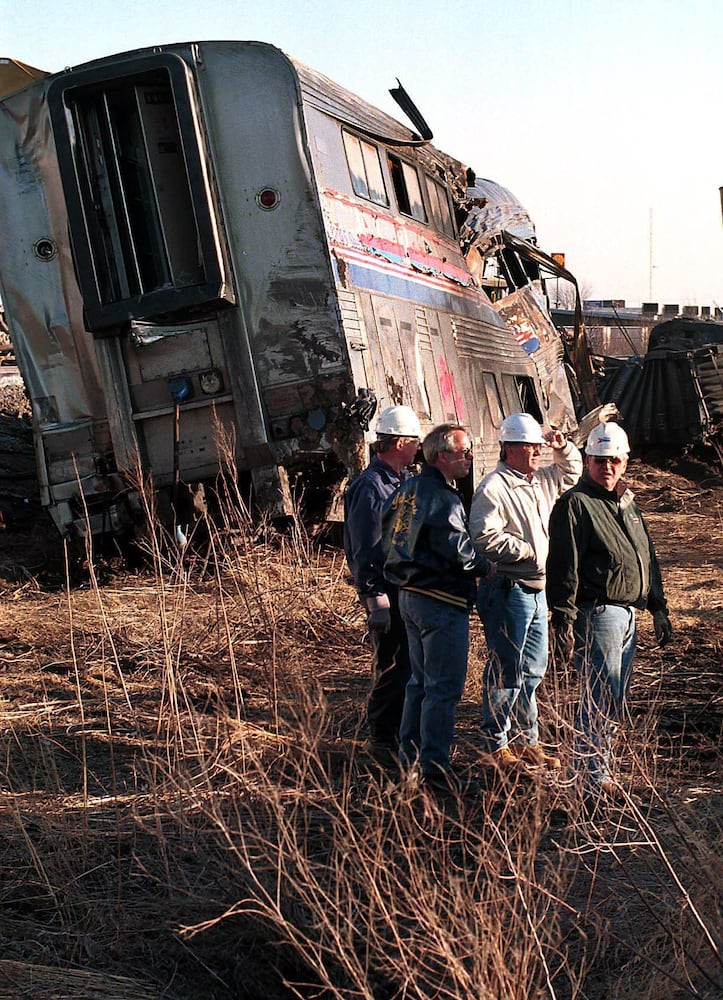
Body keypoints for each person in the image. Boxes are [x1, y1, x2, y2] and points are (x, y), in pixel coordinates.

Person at [546, 421, 672, 802]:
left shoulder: (626, 502)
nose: (608, 467)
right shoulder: (575, 504)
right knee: (599, 694)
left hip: (629, 613)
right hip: (598, 612)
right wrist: (563, 619)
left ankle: (597, 768)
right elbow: (563, 566)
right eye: (600, 460)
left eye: (615, 460)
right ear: (587, 461)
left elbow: (647, 555)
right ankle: (589, 777)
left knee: (614, 696)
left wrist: (659, 607)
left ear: (625, 461)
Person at [382, 423, 496, 792]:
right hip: (441, 600)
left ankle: (409, 759)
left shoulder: (406, 491)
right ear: (441, 456)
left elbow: (388, 538)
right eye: (463, 452)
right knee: (443, 688)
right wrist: (487, 566)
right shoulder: (445, 498)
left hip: (409, 597)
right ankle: (434, 768)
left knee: (419, 683)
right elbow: (461, 555)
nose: (468, 459)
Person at [469, 413, 582, 771]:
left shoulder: (540, 481)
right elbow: (483, 537)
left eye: (538, 446)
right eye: (530, 447)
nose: (537, 452)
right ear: (510, 449)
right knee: (506, 667)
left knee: (532, 668)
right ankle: (495, 744)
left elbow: (571, 472)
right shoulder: (494, 487)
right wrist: (528, 552)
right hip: (509, 588)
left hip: (537, 589)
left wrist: (562, 446)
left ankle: (525, 740)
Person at [343, 404, 422, 767]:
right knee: (393, 664)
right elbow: (366, 547)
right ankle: (381, 739)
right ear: (399, 442)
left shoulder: (400, 481)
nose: (419, 447)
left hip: (404, 589)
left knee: (408, 662)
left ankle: (399, 734)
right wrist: (375, 598)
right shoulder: (372, 487)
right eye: (415, 441)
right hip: (386, 592)